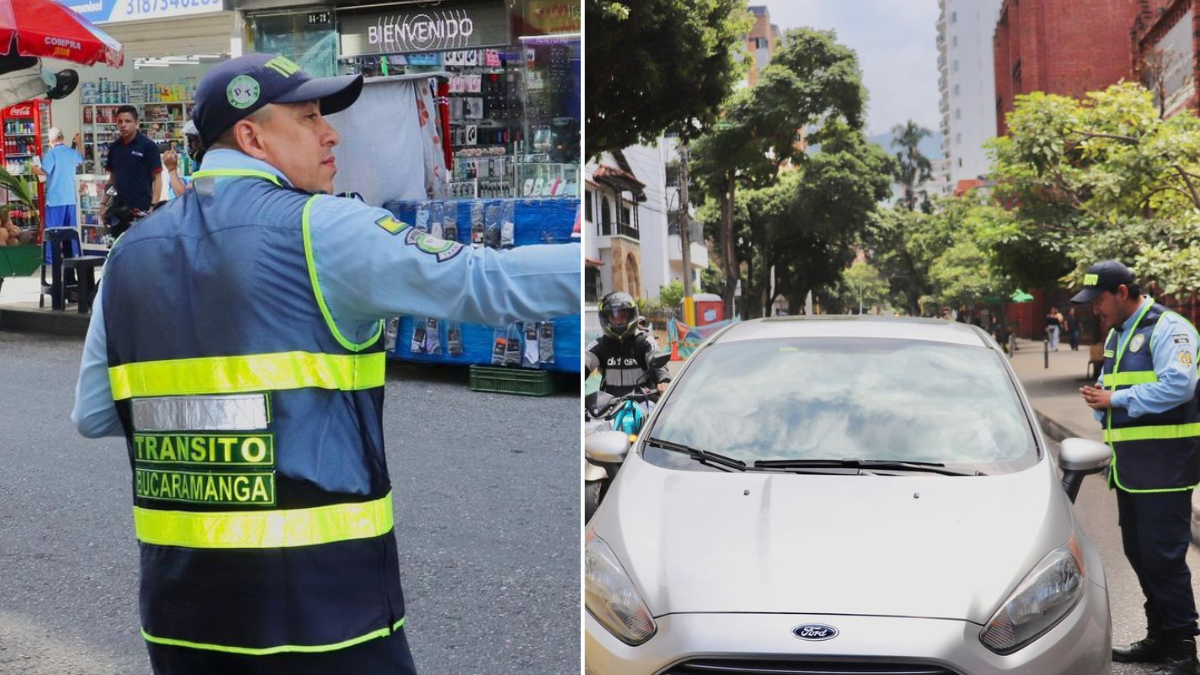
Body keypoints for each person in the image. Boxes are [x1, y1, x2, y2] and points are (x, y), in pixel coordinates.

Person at [71, 53, 580, 675]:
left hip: (183, 620)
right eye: (309, 116)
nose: (331, 132)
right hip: (327, 619)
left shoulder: (128, 253)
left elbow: (96, 414)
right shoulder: (326, 229)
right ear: (251, 137)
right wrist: (592, 266)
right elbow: (486, 283)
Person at [1075, 260, 1200, 675]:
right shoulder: (1117, 334)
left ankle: (1183, 651)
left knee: (1164, 558)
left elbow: (1178, 385)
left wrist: (1117, 401)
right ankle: (1158, 637)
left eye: (1099, 300)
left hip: (1166, 468)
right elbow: (1117, 390)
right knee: (1140, 554)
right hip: (1131, 470)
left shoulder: (1171, 329)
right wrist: (1100, 400)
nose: (1095, 309)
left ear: (1123, 292)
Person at [586, 291, 670, 397]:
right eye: (613, 317)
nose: (618, 321)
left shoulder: (645, 341)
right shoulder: (600, 345)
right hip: (609, 407)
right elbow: (586, 360)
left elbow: (656, 358)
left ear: (631, 316)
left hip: (643, 405)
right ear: (606, 319)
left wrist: (664, 380)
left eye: (622, 316)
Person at [98, 104, 162, 233]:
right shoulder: (114, 148)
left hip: (141, 211)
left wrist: (153, 206)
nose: (123, 125)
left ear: (136, 123)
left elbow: (158, 179)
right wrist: (103, 204)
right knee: (118, 249)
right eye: (120, 121)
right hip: (118, 211)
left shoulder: (148, 147)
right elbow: (112, 181)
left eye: (128, 121)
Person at [31, 127, 84, 268]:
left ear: (50, 140)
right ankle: (74, 257)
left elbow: (44, 171)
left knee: (52, 232)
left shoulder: (52, 154)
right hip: (70, 199)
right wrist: (78, 143)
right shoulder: (71, 152)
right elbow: (81, 159)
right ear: (62, 138)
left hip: (55, 199)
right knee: (71, 231)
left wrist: (33, 168)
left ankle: (50, 260)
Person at [162, 121, 203, 199]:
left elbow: (184, 197)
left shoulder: (210, 165)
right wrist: (182, 180)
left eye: (192, 140)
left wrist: (172, 169)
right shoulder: (201, 162)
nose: (190, 145)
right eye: (189, 141)